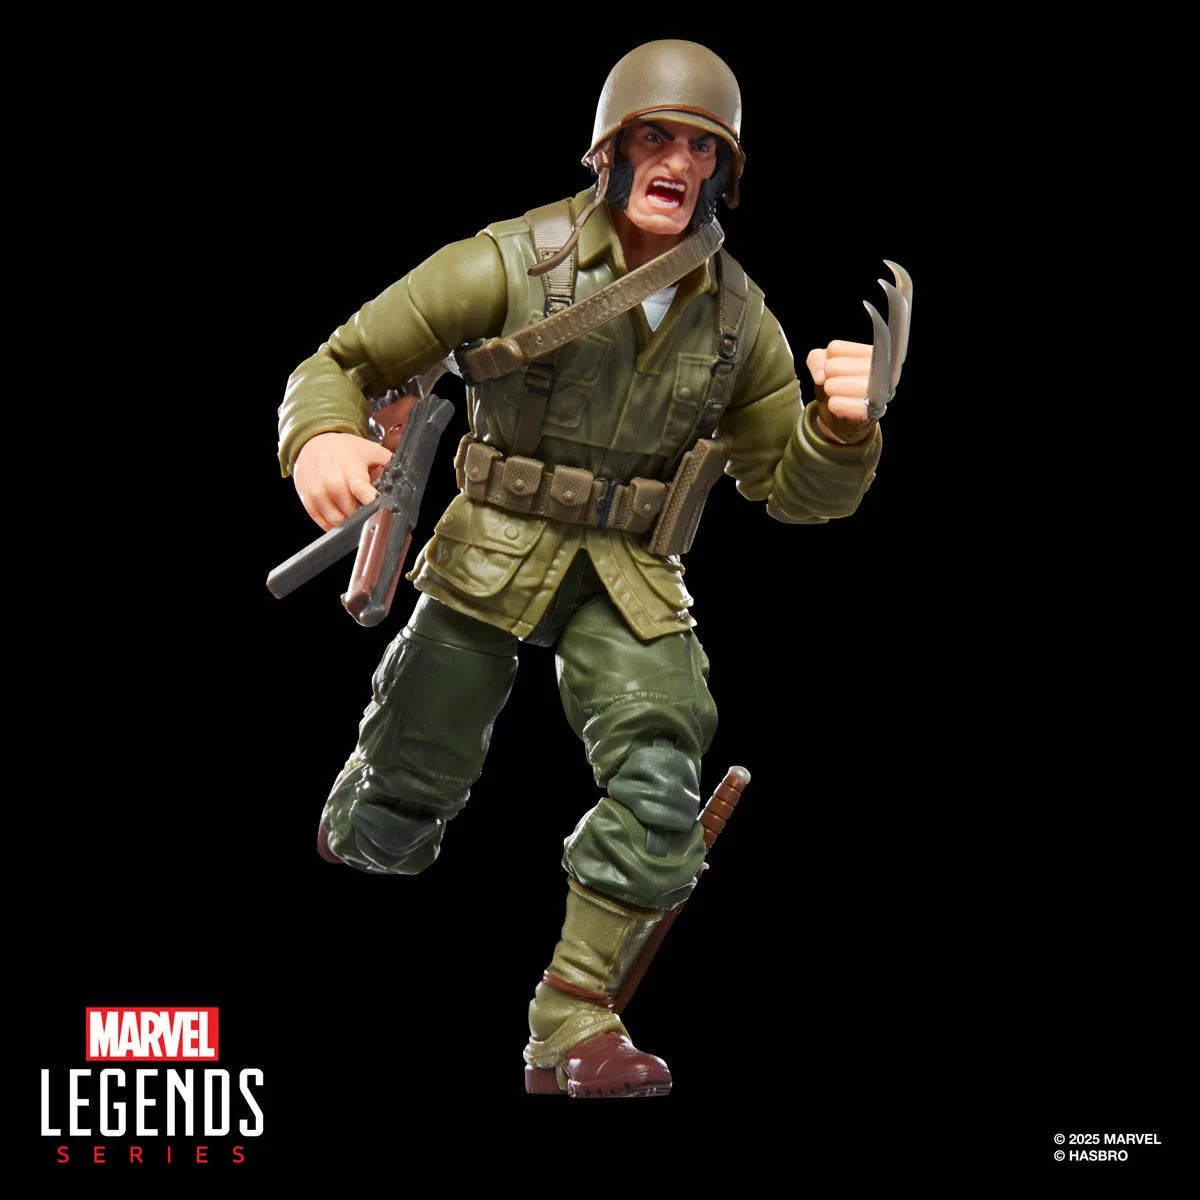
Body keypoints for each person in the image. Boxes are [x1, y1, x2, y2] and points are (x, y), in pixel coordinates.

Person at [276, 39, 908, 1097]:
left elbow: (792, 492)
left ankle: (572, 1021)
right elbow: (339, 362)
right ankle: (369, 820)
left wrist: (845, 430)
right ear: (610, 150)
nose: (679, 163)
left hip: (630, 574)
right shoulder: (507, 265)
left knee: (663, 783)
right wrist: (322, 442)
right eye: (657, 137)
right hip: (491, 549)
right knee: (408, 787)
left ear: (724, 171)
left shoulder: (740, 320)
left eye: (703, 148)